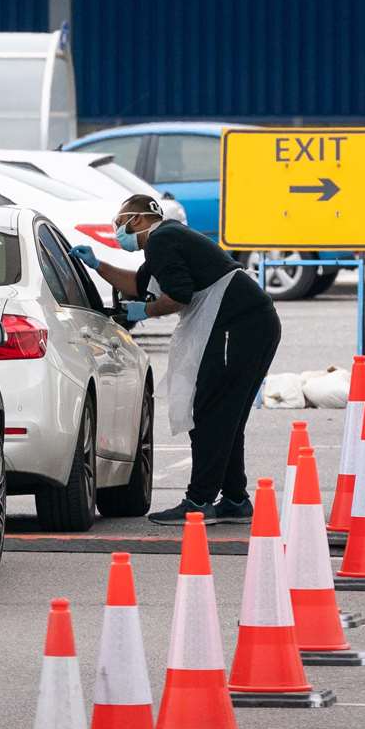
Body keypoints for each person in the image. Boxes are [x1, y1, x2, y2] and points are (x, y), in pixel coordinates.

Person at [72, 195, 281, 525]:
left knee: (213, 412)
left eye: (120, 222)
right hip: (250, 323)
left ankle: (199, 501)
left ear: (138, 220)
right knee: (225, 414)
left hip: (239, 324)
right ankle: (235, 499)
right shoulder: (166, 238)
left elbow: (178, 294)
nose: (118, 231)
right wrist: (98, 265)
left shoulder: (161, 240)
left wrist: (147, 310)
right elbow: (139, 285)